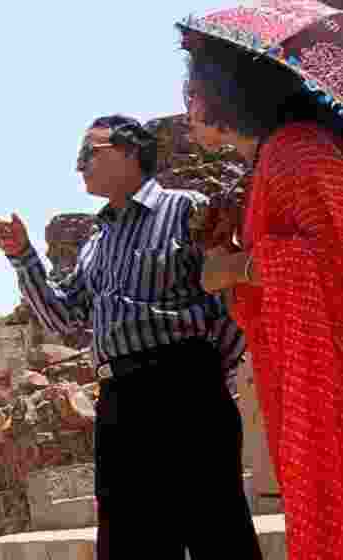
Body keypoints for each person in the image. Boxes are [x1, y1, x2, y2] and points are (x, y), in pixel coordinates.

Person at [0, 115, 261, 559]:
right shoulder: (98, 239)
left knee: (216, 532)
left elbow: (233, 301)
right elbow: (62, 317)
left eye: (88, 153)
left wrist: (206, 368)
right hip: (118, 401)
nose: (79, 165)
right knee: (129, 542)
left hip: (187, 391)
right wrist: (23, 256)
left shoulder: (187, 210)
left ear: (131, 152)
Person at [183, 33, 343, 558]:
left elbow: (332, 260)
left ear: (227, 89)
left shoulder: (296, 151)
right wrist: (229, 252)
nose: (187, 104)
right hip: (299, 381)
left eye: (193, 88)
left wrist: (237, 266)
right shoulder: (274, 158)